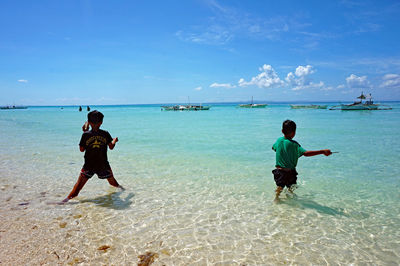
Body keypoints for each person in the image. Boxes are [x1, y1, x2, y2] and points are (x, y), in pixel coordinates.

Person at [62, 110, 124, 203]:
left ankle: (63, 202)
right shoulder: (105, 133)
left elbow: (81, 149)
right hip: (103, 164)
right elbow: (111, 147)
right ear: (101, 122)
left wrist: (85, 132)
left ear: (89, 122)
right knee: (113, 182)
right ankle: (123, 190)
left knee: (77, 188)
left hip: (89, 165)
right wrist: (114, 140)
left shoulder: (86, 134)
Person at [272, 120, 331, 202]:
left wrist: (285, 154)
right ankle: (291, 201)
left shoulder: (279, 140)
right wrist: (322, 151)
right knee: (291, 188)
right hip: (290, 172)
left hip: (279, 172)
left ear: (282, 131)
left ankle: (277, 198)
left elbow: (273, 148)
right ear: (294, 132)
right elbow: (306, 153)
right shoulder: (294, 144)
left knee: (280, 187)